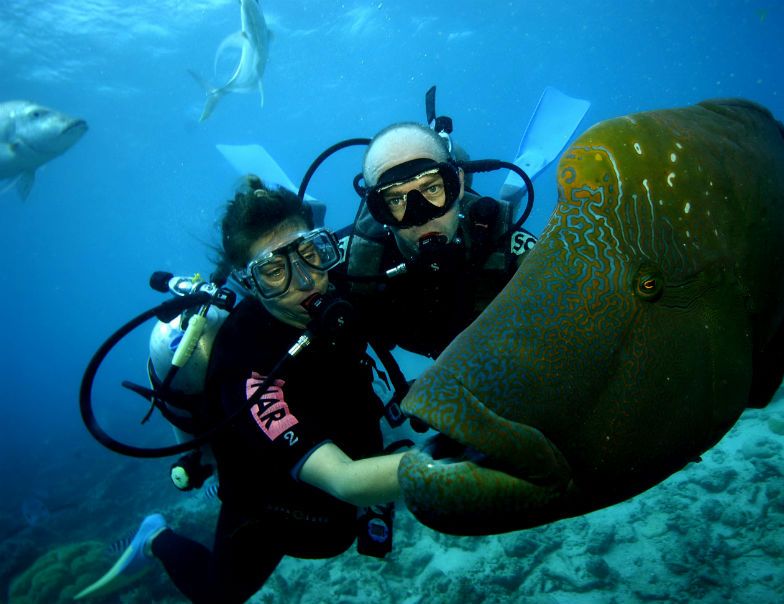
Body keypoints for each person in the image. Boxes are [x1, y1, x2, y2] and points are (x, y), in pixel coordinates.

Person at [90, 177, 408, 604]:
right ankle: (156, 538)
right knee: (217, 596)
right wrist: (451, 464)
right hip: (265, 500)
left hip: (344, 456)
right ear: (249, 283)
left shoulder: (344, 290)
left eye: (311, 253)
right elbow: (346, 480)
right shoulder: (244, 366)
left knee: (335, 535)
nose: (306, 280)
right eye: (274, 271)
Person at [331, 122, 537, 360]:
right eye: (396, 200)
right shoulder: (356, 261)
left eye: (432, 188)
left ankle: (510, 193)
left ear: (457, 184)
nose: (421, 216)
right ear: (378, 210)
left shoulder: (505, 241)